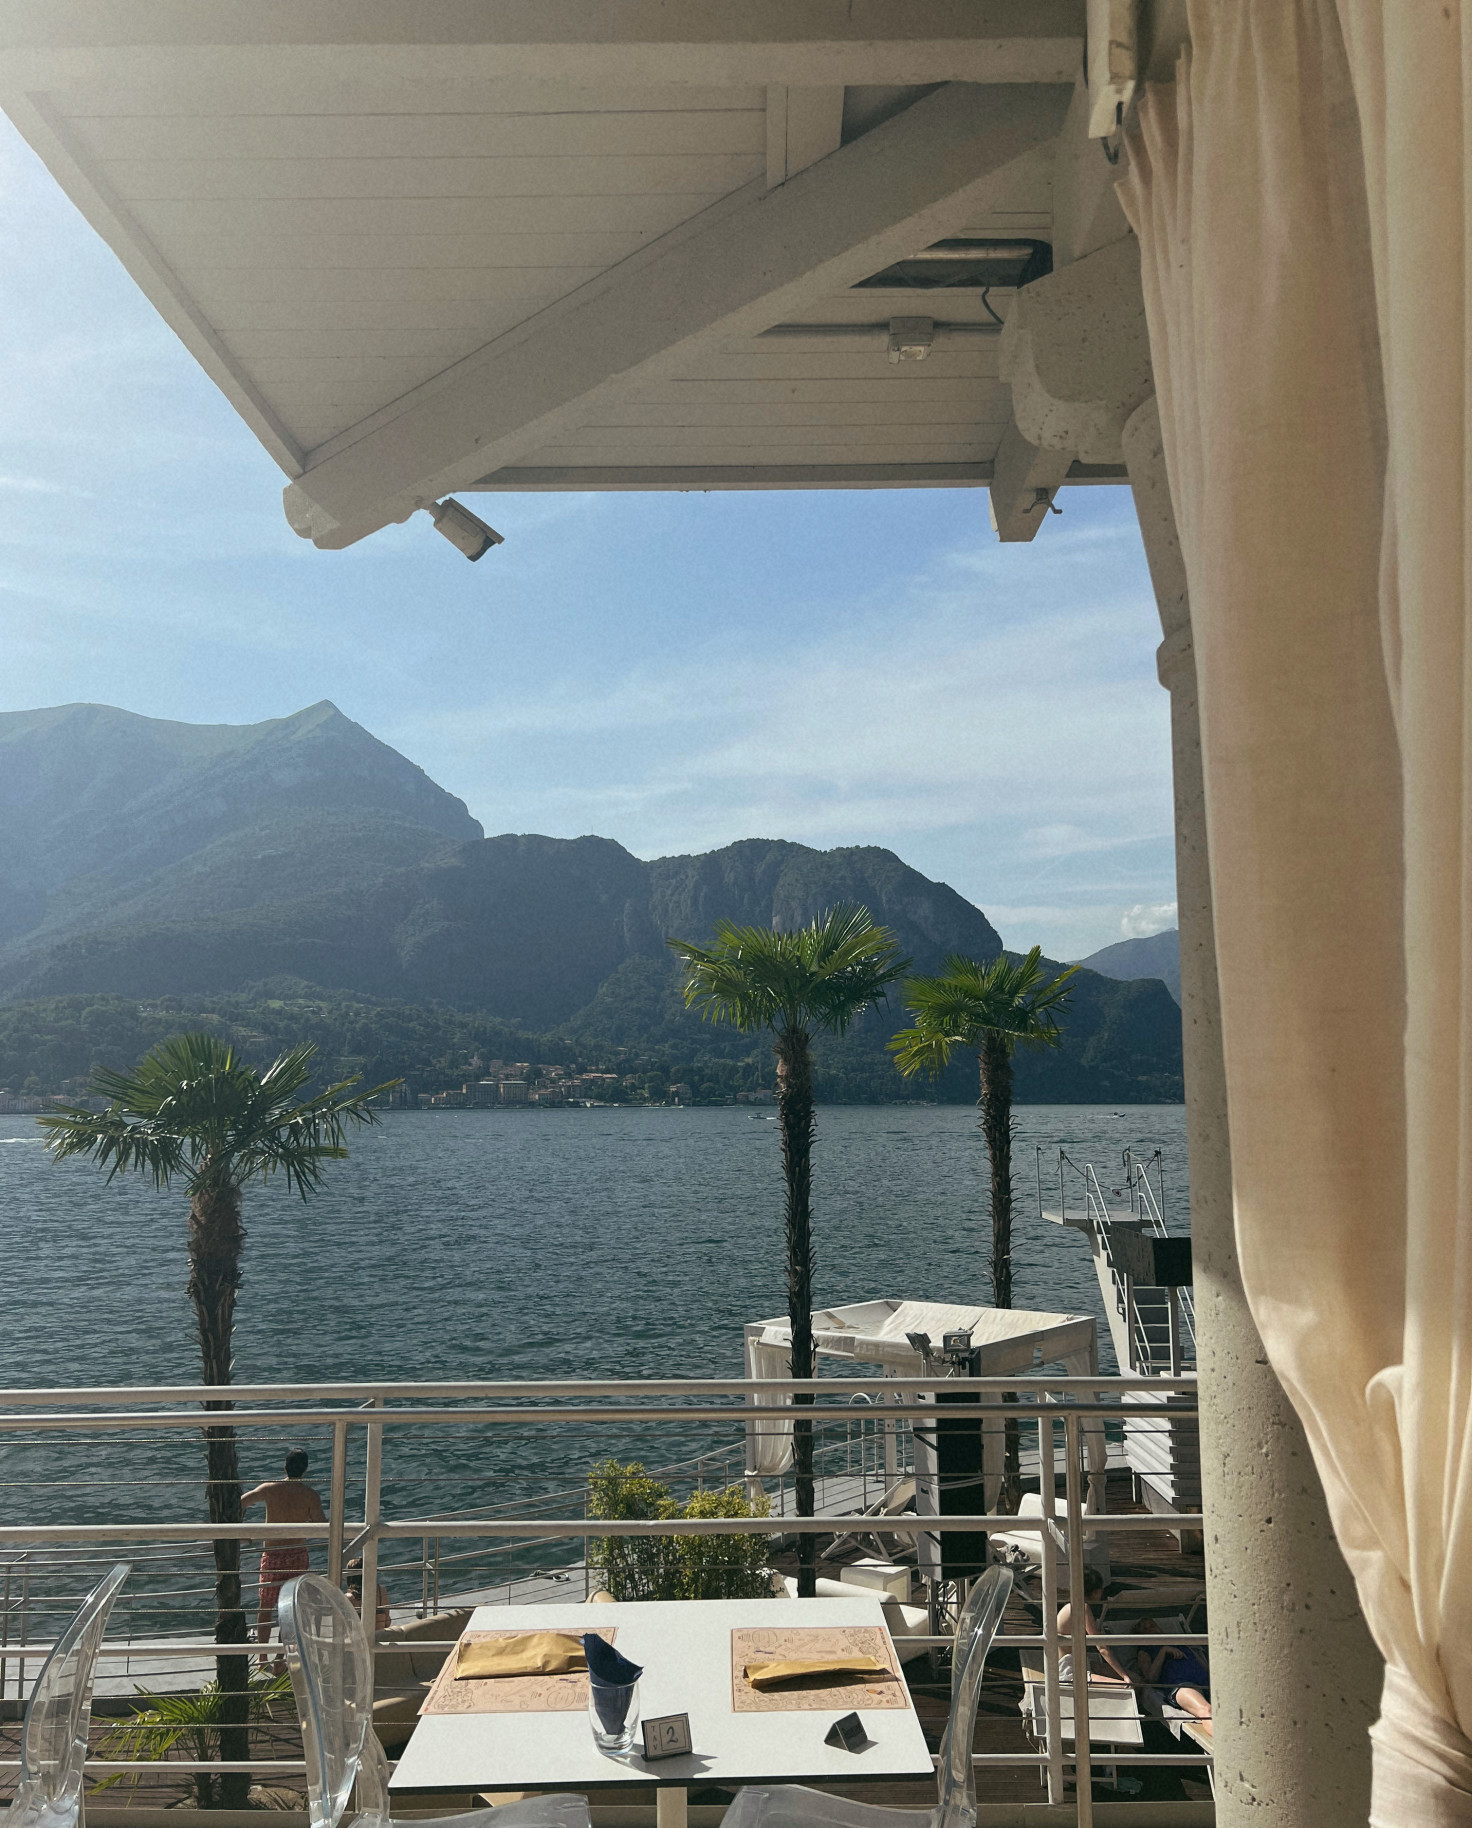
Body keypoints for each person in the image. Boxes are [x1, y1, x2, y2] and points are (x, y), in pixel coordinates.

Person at [242, 1448, 326, 1651]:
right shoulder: (310, 1496)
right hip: (297, 1554)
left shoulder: (270, 1489)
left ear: (284, 1467)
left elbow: (241, 1502)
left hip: (272, 1556)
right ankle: (282, 1658)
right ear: (305, 1470)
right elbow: (322, 1525)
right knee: (291, 1608)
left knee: (265, 1607)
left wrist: (242, 1530)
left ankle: (262, 1657)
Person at [1054, 1567, 1137, 1686]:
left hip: (1077, 1664)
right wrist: (1124, 1676)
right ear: (1097, 1591)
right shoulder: (1082, 1608)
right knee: (1129, 1686)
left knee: (1136, 1679)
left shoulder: (1069, 1606)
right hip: (1070, 1672)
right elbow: (1101, 1647)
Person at [1133, 1616, 1212, 1721]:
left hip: (1206, 1682)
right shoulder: (1145, 1651)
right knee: (1207, 1712)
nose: (1150, 1630)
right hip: (1182, 1685)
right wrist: (1163, 1651)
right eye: (1145, 1630)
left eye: (1152, 1626)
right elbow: (1151, 1678)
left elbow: (1206, 1668)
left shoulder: (1179, 1643)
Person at [345, 1555, 391, 1633]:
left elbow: (346, 1629)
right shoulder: (381, 1591)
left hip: (361, 1641)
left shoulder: (348, 1598)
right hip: (380, 1637)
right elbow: (387, 1622)